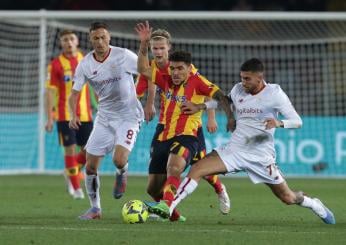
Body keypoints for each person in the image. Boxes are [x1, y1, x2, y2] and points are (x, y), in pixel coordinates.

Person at [149, 58, 336, 225]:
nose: (243, 82)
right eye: (242, 77)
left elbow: (297, 121)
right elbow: (225, 102)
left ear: (259, 78)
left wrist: (279, 122)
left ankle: (313, 203)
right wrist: (200, 106)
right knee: (197, 169)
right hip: (235, 149)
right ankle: (169, 206)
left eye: (247, 79)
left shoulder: (275, 93)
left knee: (287, 197)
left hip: (260, 155)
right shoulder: (238, 89)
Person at [135, 21, 235, 221]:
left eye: (180, 69)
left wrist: (217, 115)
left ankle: (214, 190)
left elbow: (221, 97)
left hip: (189, 132)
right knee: (153, 188)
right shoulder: (164, 75)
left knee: (181, 167)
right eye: (173, 69)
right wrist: (143, 45)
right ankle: (173, 215)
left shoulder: (197, 79)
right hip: (164, 130)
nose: (175, 73)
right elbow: (143, 70)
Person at [68, 22, 143, 220]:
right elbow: (74, 93)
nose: (100, 42)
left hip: (129, 116)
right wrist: (73, 114)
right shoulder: (85, 64)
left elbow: (147, 72)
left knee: (118, 159)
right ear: (90, 40)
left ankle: (122, 171)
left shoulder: (123, 55)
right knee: (90, 166)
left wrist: (148, 99)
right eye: (95, 38)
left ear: (109, 37)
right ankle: (95, 209)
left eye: (103, 37)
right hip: (104, 117)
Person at [45, 29, 93, 200]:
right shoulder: (55, 64)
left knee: (89, 152)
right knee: (70, 150)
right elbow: (50, 92)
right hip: (65, 115)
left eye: (71, 39)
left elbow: (96, 84)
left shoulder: (87, 60)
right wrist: (50, 117)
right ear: (61, 43)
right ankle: (76, 188)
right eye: (65, 39)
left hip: (86, 115)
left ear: (77, 41)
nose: (69, 42)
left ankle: (70, 172)